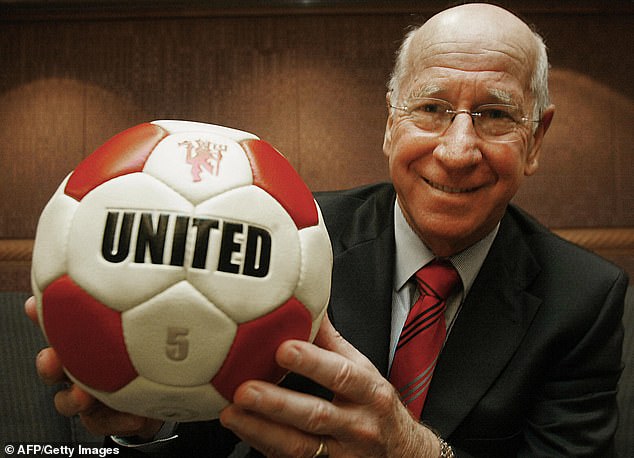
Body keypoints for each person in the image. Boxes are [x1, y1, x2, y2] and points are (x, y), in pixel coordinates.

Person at [25, 3, 628, 457]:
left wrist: (411, 451)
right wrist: (150, 414)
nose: (458, 149)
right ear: (391, 122)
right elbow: (204, 437)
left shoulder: (584, 298)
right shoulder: (285, 241)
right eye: (431, 109)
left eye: (495, 114)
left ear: (537, 138)